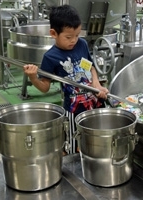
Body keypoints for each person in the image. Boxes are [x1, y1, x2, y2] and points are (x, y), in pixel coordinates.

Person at [23, 5, 108, 154]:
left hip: (94, 101)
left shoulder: (81, 44)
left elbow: (90, 67)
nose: (74, 40)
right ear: (53, 33)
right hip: (74, 108)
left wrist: (96, 85)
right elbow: (44, 87)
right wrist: (33, 77)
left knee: (98, 138)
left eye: (77, 35)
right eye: (68, 37)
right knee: (72, 143)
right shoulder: (51, 57)